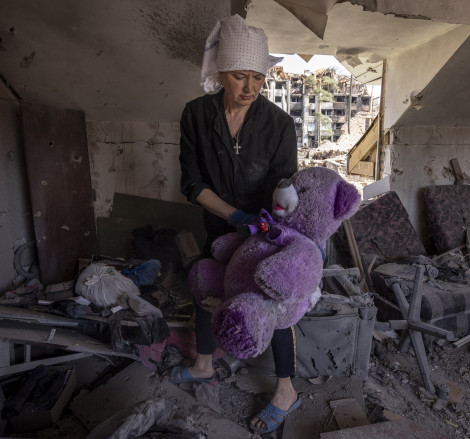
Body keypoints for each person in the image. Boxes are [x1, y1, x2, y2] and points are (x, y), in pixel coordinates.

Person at [172, 14, 301, 434]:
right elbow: (192, 183)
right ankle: (205, 364)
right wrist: (233, 216)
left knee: (274, 303)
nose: (249, 88)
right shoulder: (195, 116)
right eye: (240, 77)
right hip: (221, 221)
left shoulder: (279, 125)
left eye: (258, 79)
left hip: (265, 229)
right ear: (220, 74)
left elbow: (285, 182)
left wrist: (275, 213)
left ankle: (285, 391)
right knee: (208, 285)